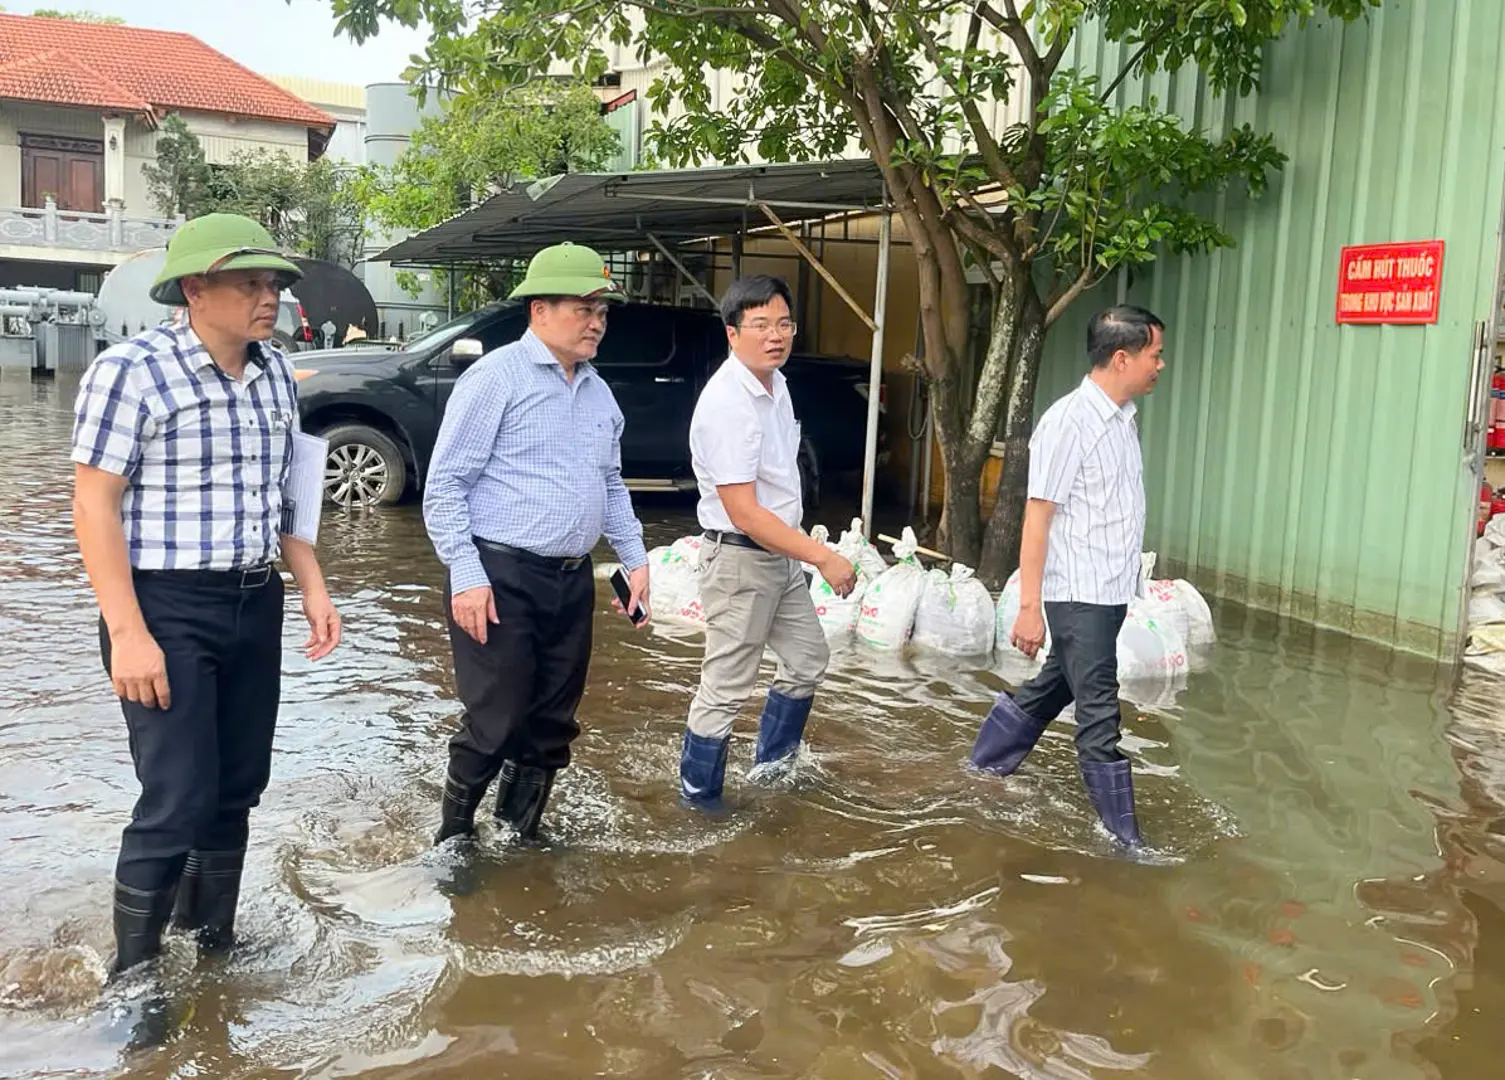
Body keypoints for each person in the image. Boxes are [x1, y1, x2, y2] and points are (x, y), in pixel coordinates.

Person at [71, 213, 343, 976]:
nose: (271, 298)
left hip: (252, 600)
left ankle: (211, 942)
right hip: (163, 607)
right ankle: (134, 975)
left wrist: (313, 588)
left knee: (235, 786)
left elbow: (288, 501)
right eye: (251, 283)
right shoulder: (132, 372)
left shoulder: (277, 378)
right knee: (177, 794)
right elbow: (93, 505)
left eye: (275, 283)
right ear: (195, 288)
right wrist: (127, 632)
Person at [424, 242, 650, 845]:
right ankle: (453, 838)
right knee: (496, 719)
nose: (597, 320)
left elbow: (610, 482)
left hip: (572, 576)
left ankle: (519, 834)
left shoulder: (599, 392)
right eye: (583, 307)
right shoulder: (495, 379)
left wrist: (635, 557)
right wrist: (467, 576)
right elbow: (444, 485)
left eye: (603, 309)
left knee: (552, 720)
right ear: (539, 310)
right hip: (499, 575)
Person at [969, 305, 1165, 849]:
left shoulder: (1122, 421)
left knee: (1055, 685)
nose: (1161, 365)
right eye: (1155, 354)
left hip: (1106, 593)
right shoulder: (1068, 422)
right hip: (1078, 594)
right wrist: (1030, 605)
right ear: (1121, 357)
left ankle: (983, 768)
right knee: (1100, 715)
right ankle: (1126, 843)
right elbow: (1038, 515)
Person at [677, 275, 858, 811]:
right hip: (740, 558)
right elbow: (745, 511)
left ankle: (773, 769)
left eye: (784, 323)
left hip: (780, 555)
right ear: (733, 334)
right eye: (760, 325)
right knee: (726, 687)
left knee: (807, 659)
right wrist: (823, 555)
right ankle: (699, 800)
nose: (775, 335)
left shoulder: (775, 386)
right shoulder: (729, 403)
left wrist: (803, 549)